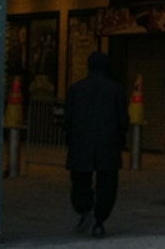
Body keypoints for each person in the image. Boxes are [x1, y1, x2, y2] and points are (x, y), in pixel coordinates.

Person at [64, 51, 127, 238]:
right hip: (108, 143)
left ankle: (84, 209)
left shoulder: (75, 89)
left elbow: (68, 118)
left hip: (81, 143)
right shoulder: (116, 89)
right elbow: (122, 118)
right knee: (107, 184)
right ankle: (100, 220)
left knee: (80, 180)